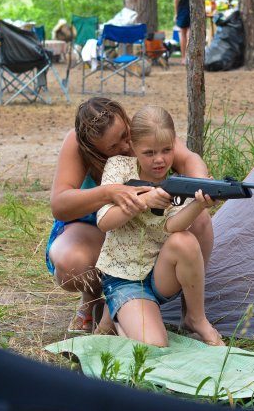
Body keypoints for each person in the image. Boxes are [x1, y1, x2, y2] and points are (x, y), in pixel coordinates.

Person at [46, 97, 215, 334]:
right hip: (94, 228)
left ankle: (192, 312)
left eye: (126, 136)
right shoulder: (76, 143)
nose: (126, 147)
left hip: (148, 230)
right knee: (71, 264)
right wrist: (109, 192)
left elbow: (188, 158)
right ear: (92, 148)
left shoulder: (144, 129)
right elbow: (60, 204)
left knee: (200, 219)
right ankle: (93, 301)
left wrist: (198, 187)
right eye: (113, 148)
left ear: (127, 120)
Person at [95, 105, 224, 347]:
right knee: (154, 345)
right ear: (133, 146)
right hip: (123, 278)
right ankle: (113, 316)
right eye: (149, 152)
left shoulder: (176, 180)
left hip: (158, 275)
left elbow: (172, 227)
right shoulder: (119, 167)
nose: (160, 160)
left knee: (184, 240)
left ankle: (196, 318)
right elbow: (104, 221)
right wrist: (144, 200)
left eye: (167, 150)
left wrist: (198, 205)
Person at [173, 0, 190, 65]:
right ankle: (191, 57)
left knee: (182, 34)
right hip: (194, 10)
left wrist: (176, 13)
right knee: (191, 33)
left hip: (183, 10)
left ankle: (184, 57)